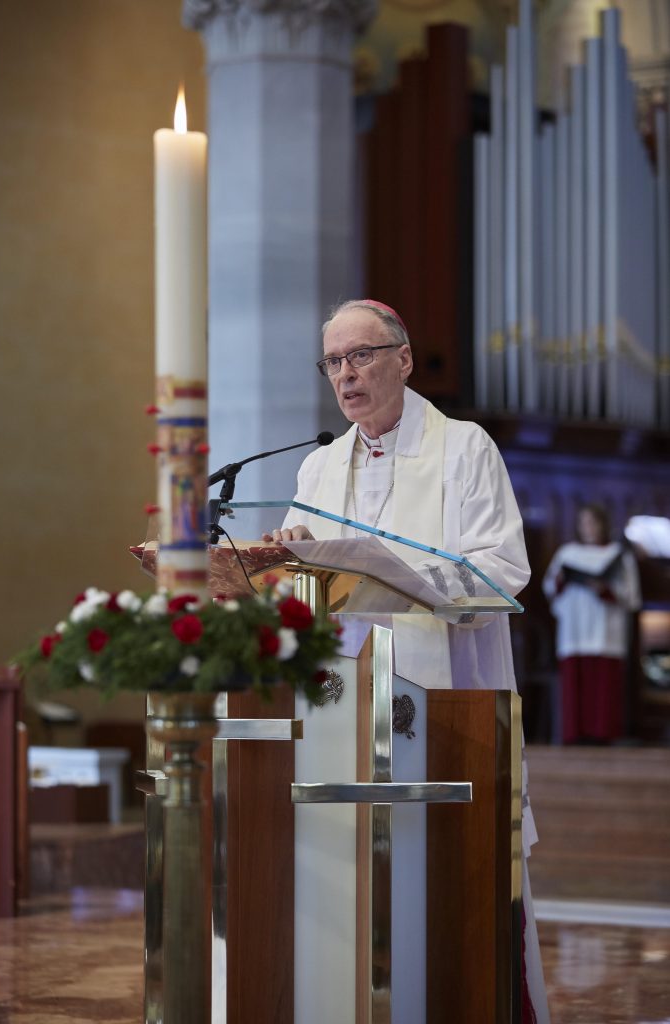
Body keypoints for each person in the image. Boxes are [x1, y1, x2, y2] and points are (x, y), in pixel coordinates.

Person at [263, 298, 550, 1023]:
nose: (345, 374)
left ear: (404, 359)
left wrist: (397, 573)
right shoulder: (319, 465)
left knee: (457, 891)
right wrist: (279, 570)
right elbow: (311, 596)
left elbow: (503, 568)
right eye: (333, 361)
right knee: (351, 891)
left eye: (361, 355)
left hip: (448, 704)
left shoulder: (463, 448)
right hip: (341, 711)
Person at [542, 503, 641, 745]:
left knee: (603, 688)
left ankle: (603, 735)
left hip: (605, 630)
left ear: (603, 525)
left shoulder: (619, 554)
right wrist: (562, 580)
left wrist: (604, 589)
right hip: (574, 631)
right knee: (576, 686)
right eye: (584, 522)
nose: (588, 528)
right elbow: (549, 587)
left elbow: (631, 595)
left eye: (593, 522)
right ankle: (574, 735)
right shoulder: (567, 553)